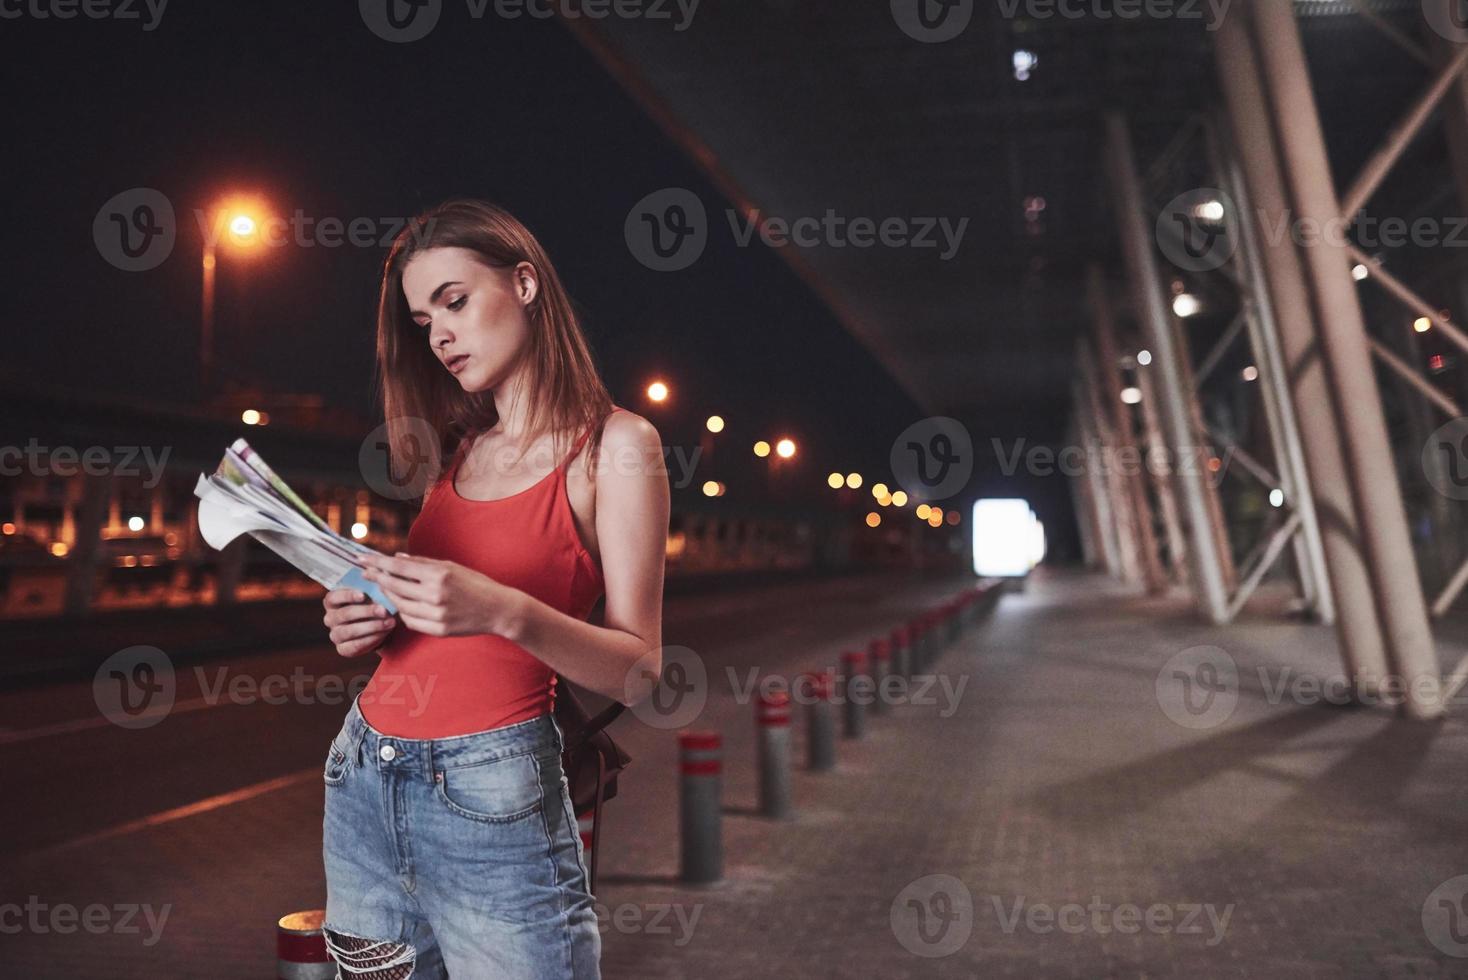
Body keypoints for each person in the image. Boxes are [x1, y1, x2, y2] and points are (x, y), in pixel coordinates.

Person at [317, 198, 669, 979]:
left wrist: (502, 608)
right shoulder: (460, 451)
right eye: (422, 319)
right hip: (363, 779)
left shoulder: (617, 445)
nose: (439, 334)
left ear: (525, 283)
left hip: (492, 793)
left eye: (455, 300)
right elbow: (433, 632)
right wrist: (365, 622)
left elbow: (642, 670)